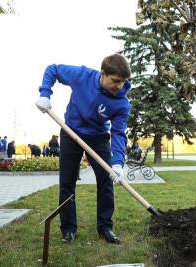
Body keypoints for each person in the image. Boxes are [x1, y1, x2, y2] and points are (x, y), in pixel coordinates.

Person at [35, 53, 131, 244]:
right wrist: (45, 93)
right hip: (71, 132)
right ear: (103, 74)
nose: (119, 86)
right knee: (67, 182)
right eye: (115, 81)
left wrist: (118, 163)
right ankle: (68, 229)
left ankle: (105, 227)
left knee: (106, 181)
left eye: (123, 82)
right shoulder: (82, 76)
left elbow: (119, 133)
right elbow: (53, 69)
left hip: (98, 138)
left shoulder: (122, 103)